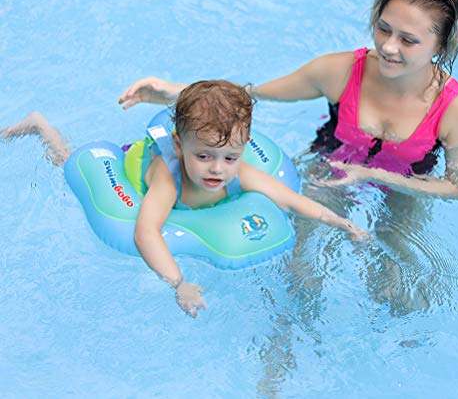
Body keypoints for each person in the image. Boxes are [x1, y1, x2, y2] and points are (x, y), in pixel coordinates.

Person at [1, 80, 367, 318]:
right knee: (65, 160)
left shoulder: (237, 171)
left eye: (229, 157)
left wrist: (340, 222)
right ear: (179, 145)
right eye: (203, 156)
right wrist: (179, 283)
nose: (217, 169)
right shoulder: (169, 178)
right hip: (132, 167)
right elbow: (146, 232)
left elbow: (290, 200)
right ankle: (41, 126)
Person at [119, 0, 458, 199]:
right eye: (383, 29)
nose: (388, 47)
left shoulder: (455, 108)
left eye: (408, 40)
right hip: (329, 166)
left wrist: (373, 175)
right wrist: (177, 92)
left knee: (396, 280)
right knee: (304, 265)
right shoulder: (339, 71)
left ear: (441, 46)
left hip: (405, 190)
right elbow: (255, 94)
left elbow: (457, 186)